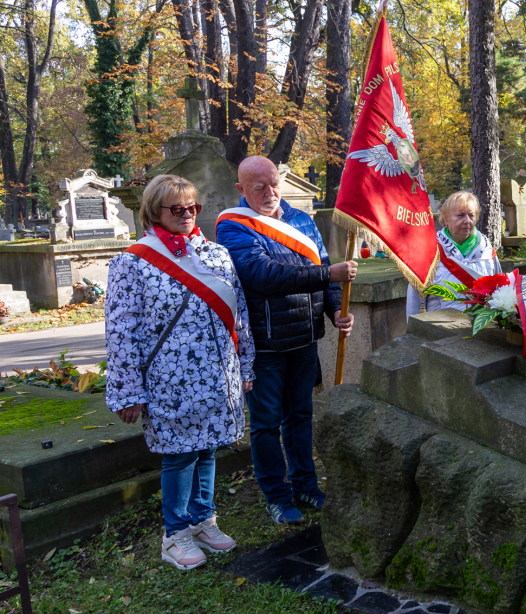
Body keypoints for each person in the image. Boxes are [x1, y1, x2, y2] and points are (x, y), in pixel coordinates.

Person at [105, 175, 255, 571]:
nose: (187, 215)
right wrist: (127, 392)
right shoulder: (133, 261)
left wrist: (246, 367)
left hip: (216, 372)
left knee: (207, 447)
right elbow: (121, 332)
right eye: (177, 209)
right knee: (179, 454)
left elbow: (240, 317)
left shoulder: (218, 255)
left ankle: (203, 519)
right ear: (155, 211)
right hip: (168, 381)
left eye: (193, 208)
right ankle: (175, 533)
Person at [216, 156, 357, 525]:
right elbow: (262, 275)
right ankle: (277, 496)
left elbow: (325, 277)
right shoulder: (234, 227)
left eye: (274, 182)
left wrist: (334, 311)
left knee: (301, 415)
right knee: (265, 423)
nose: (269, 192)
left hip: (304, 337)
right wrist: (327, 272)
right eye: (259, 186)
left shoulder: (302, 221)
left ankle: (305, 484)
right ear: (241, 189)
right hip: (264, 344)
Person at [406, 190, 503, 317]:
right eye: (460, 215)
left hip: (481, 328)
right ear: (446, 219)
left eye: (471, 215)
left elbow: (500, 290)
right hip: (441, 329)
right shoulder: (430, 251)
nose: (467, 220)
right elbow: (414, 299)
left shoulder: (487, 249)